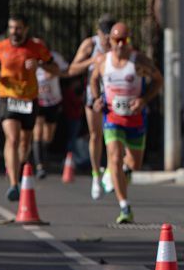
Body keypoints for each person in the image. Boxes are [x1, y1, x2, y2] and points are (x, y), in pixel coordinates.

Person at [90, 22, 162, 223]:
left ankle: (119, 173)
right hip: (112, 118)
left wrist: (144, 99)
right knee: (114, 157)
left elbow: (158, 80)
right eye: (116, 40)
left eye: (124, 40)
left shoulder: (138, 60)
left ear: (129, 40)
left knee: (134, 164)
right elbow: (94, 79)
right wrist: (97, 99)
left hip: (135, 119)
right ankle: (124, 206)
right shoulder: (104, 61)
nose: (120, 44)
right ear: (110, 41)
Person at [0, 15, 60, 200]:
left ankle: (17, 168)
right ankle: (13, 184)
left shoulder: (37, 47)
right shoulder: (1, 46)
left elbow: (56, 69)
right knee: (12, 139)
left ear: (25, 29)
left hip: (29, 99)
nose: (14, 32)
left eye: (18, 28)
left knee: (25, 142)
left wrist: (40, 64)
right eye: (11, 28)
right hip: (7, 96)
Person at [68, 14, 116, 199]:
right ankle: (96, 175)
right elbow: (72, 69)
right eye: (105, 36)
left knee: (114, 136)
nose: (107, 40)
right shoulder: (90, 44)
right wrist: (92, 61)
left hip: (114, 94)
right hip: (93, 93)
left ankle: (110, 171)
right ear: (98, 33)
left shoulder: (119, 43)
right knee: (96, 134)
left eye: (110, 36)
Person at [33, 49, 69, 179]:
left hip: (53, 100)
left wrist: (54, 72)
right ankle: (39, 165)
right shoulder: (30, 57)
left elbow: (66, 70)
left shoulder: (55, 57)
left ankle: (43, 153)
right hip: (37, 100)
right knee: (37, 131)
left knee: (48, 135)